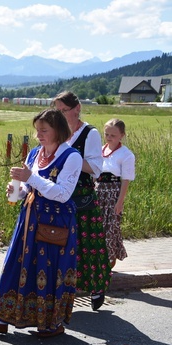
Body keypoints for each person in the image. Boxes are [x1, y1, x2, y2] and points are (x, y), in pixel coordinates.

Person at [0, 108, 82, 338]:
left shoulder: (71, 156)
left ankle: (50, 323)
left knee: (50, 270)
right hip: (30, 218)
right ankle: (1, 317)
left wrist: (30, 178)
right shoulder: (35, 153)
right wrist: (19, 190)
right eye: (37, 130)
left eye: (44, 130)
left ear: (58, 130)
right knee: (16, 264)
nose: (39, 135)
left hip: (57, 221)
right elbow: (29, 187)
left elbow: (63, 194)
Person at [53, 91, 111, 311]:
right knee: (61, 244)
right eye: (56, 111)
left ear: (77, 108)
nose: (59, 115)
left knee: (88, 246)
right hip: (59, 196)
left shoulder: (90, 133)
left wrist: (71, 158)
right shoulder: (57, 132)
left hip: (81, 196)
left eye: (63, 110)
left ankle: (96, 287)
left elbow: (96, 169)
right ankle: (63, 290)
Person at [96, 119, 135, 268]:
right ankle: (96, 262)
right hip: (98, 191)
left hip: (112, 194)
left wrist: (120, 202)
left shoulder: (126, 155)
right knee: (97, 228)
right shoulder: (100, 150)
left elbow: (126, 180)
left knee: (110, 228)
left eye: (113, 135)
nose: (109, 137)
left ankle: (109, 262)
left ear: (122, 135)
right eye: (106, 134)